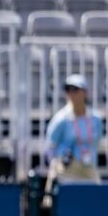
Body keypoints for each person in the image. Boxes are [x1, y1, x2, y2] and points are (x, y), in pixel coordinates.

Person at [44, 74, 103, 206]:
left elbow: (96, 140)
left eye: (75, 89)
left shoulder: (96, 119)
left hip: (88, 167)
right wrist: (57, 163)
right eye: (68, 90)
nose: (71, 93)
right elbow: (50, 147)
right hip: (66, 169)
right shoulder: (60, 119)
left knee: (97, 202)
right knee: (60, 205)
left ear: (85, 93)